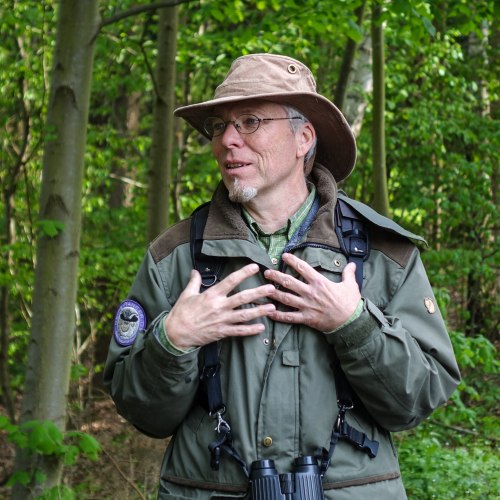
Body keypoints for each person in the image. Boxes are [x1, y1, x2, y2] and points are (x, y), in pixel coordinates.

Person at [104, 53, 460, 499]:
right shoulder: (174, 258)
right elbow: (144, 414)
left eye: (250, 121)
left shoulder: (381, 252)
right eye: (219, 126)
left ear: (303, 138)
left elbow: (420, 398)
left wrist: (356, 325)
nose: (227, 140)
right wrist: (172, 341)